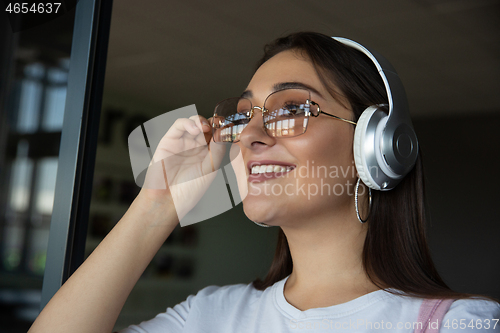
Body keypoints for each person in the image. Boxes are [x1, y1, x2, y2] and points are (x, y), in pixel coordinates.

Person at [28, 32, 499, 333]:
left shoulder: (458, 325)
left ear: (377, 146)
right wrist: (158, 205)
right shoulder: (208, 316)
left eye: (292, 109)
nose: (251, 134)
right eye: (243, 115)